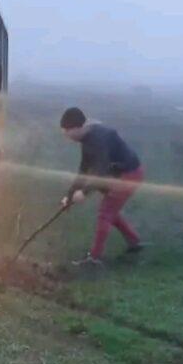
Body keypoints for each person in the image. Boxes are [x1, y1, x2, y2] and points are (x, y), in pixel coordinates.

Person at [59, 107, 145, 266]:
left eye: (67, 132)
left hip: (129, 174)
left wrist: (84, 192)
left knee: (105, 213)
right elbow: (84, 170)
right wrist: (69, 195)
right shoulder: (86, 139)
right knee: (111, 211)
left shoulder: (98, 139)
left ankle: (94, 257)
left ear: (77, 127)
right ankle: (134, 241)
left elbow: (101, 171)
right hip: (117, 174)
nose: (67, 137)